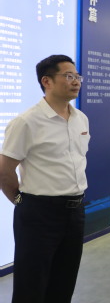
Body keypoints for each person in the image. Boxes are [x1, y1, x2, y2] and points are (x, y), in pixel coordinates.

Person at [0, 55, 90, 302]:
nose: (76, 81)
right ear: (46, 81)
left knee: (63, 283)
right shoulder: (26, 122)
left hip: (75, 212)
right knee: (31, 286)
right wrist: (21, 202)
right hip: (39, 213)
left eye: (77, 76)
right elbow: (4, 171)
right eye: (68, 76)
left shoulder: (81, 119)